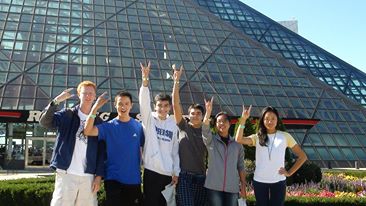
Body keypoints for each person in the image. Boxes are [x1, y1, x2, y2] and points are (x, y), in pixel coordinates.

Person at [39, 81, 104, 206]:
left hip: (88, 176)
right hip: (66, 173)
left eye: (91, 93)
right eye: (85, 93)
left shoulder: (99, 122)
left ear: (95, 96)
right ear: (79, 95)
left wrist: (99, 176)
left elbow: (102, 152)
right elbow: (45, 122)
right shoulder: (67, 115)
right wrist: (56, 101)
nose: (88, 96)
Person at [235, 106, 308, 206]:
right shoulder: (257, 136)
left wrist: (289, 172)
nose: (270, 121)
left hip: (279, 182)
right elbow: (238, 139)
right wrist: (243, 120)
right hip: (260, 181)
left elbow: (302, 156)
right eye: (267, 119)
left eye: (273, 118)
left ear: (277, 120)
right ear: (263, 121)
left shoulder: (285, 136)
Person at [83, 91, 145, 206]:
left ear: (131, 105)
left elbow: (142, 150)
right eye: (120, 104)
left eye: (127, 104)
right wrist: (95, 108)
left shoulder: (139, 127)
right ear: (115, 105)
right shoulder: (108, 126)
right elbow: (87, 131)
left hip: (133, 180)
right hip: (113, 179)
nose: (123, 107)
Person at [139, 61, 180, 206]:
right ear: (155, 106)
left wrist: (176, 171)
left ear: (169, 107)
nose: (162, 109)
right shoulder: (149, 120)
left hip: (168, 173)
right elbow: (143, 103)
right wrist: (145, 82)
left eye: (166, 106)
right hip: (151, 170)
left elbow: (175, 150)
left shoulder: (174, 124)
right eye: (159, 105)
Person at [172, 65, 207, 206]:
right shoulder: (183, 126)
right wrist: (176, 82)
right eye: (192, 113)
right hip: (184, 177)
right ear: (189, 115)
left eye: (199, 113)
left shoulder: (207, 132)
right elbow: (175, 105)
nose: (195, 115)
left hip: (201, 178)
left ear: (203, 116)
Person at [202, 97, 246, 206]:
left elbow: (241, 166)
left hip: (232, 188)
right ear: (216, 125)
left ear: (229, 124)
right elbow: (205, 130)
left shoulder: (237, 144)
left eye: (224, 121)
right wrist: (208, 113)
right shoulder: (211, 140)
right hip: (213, 187)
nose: (221, 123)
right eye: (218, 122)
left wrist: (243, 187)